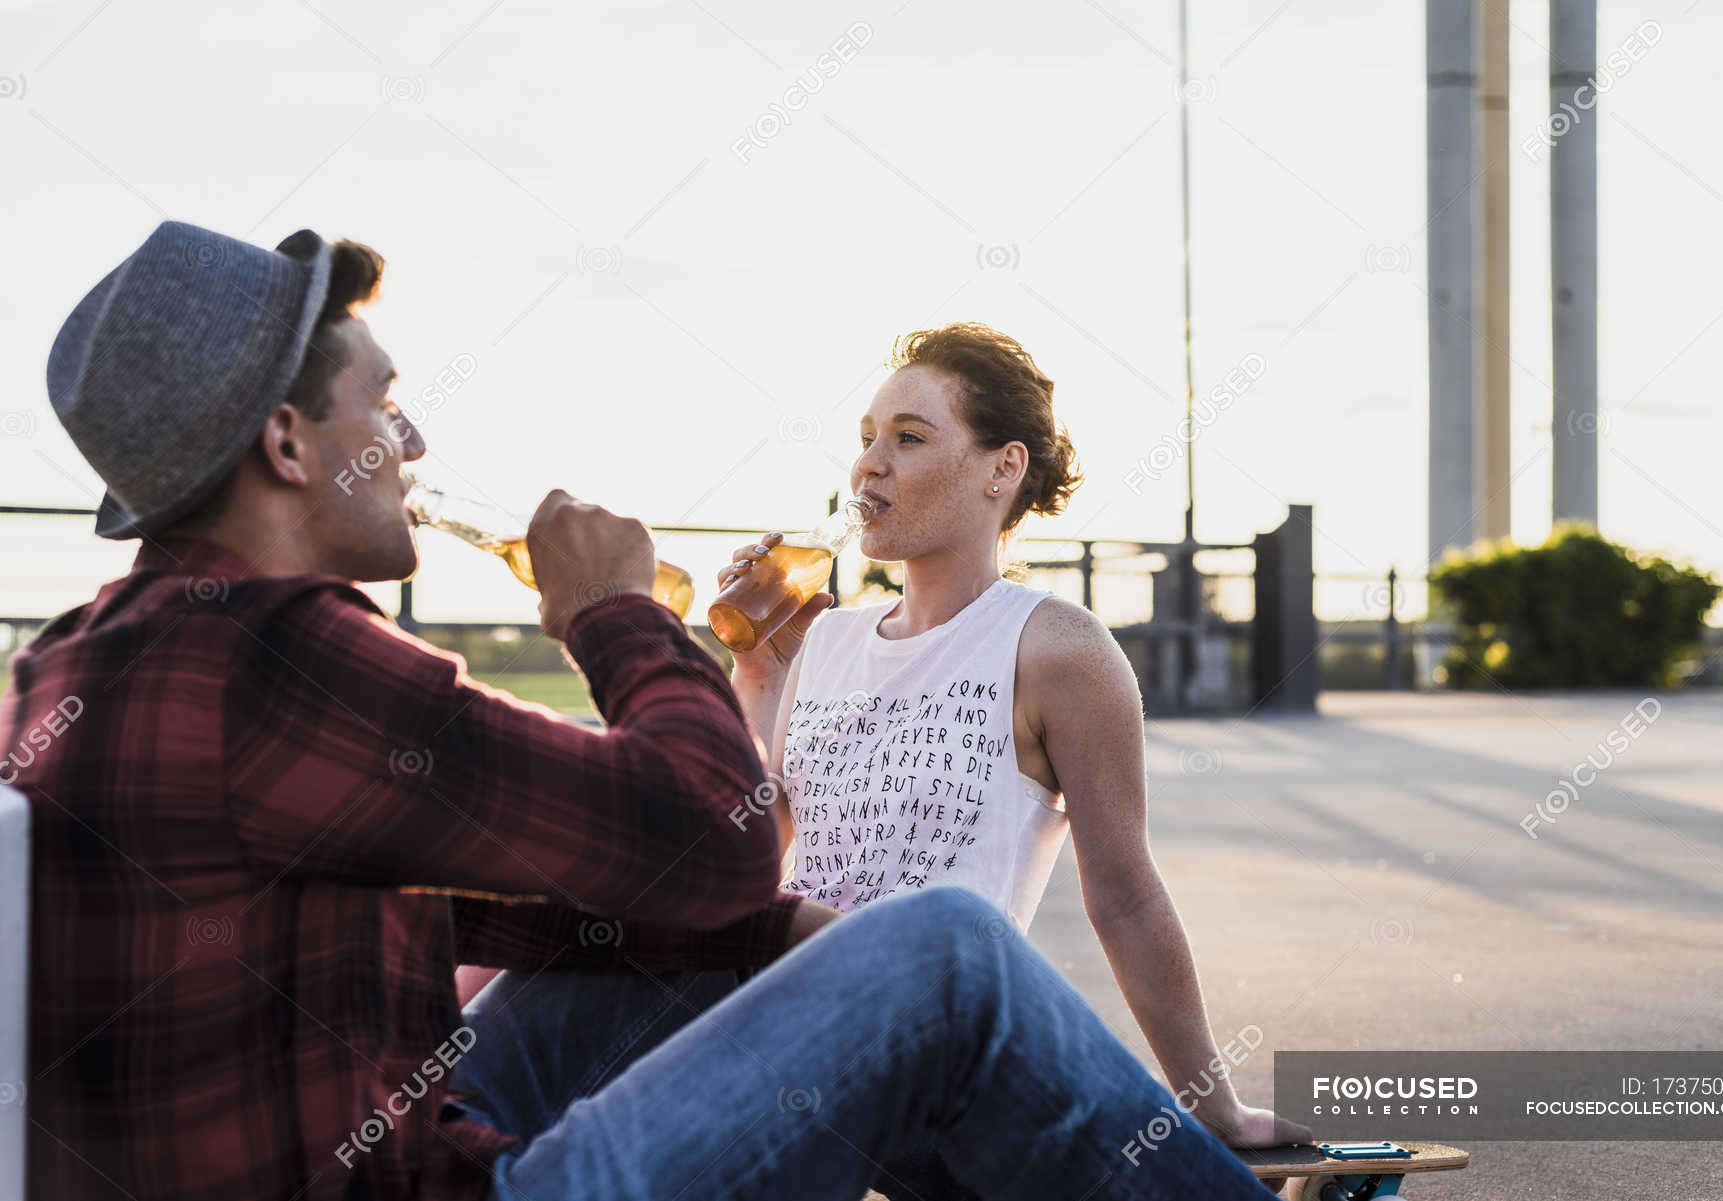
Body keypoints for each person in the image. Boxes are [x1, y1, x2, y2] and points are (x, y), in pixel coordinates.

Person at [6, 220, 1291, 1200]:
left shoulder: (88, 655)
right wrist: (615, 613)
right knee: (946, 957)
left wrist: (778, 926)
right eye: (382, 405)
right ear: (291, 447)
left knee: (690, 949)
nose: (413, 439)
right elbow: (711, 838)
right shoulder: (284, 657)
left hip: (335, 1143)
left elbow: (627, 889)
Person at [717, 324, 1311, 1164]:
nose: (869, 465)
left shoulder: (1055, 648)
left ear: (1004, 468)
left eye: (909, 438)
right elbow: (758, 843)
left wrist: (1213, 1104)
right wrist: (753, 670)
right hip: (782, 1019)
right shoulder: (826, 640)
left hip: (933, 1055)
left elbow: (1126, 894)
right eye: (866, 440)